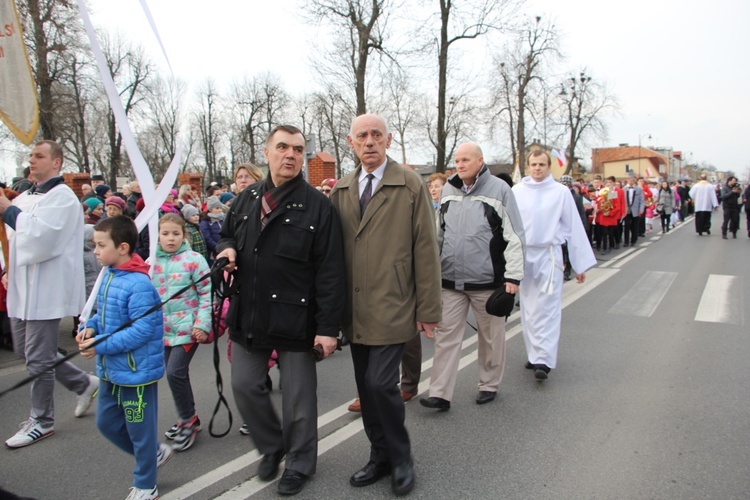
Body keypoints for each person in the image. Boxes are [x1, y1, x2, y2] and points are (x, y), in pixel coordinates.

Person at [215, 125, 345, 496]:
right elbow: (226, 234)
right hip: (249, 312)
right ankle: (272, 446)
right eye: (283, 147)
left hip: (297, 318)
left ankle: (300, 463)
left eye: (298, 149)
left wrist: (327, 329)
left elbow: (331, 272)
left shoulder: (319, 206)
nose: (290, 154)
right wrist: (226, 250)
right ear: (267, 152)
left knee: (298, 400)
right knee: (244, 385)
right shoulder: (246, 199)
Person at [329, 114, 441, 496]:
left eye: (377, 134)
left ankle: (401, 457)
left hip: (395, 303)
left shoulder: (409, 183)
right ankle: (379, 456)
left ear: (389, 139)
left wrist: (428, 308)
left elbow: (426, 247)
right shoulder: (342, 189)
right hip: (355, 308)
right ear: (351, 142)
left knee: (380, 383)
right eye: (363, 136)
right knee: (366, 384)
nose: (370, 141)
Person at [0, 140, 99, 448]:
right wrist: (6, 267)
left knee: (39, 358)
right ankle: (83, 382)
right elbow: (15, 238)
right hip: (20, 285)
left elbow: (41, 238)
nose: (32, 161)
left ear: (56, 162)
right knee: (25, 350)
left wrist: (7, 210)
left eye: (39, 156)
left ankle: (41, 420)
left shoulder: (63, 198)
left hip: (46, 287)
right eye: (30, 156)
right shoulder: (27, 196)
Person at [420, 142, 524, 412]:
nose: (460, 164)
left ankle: (488, 384)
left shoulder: (500, 190)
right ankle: (440, 393)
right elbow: (437, 234)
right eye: (457, 160)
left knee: (491, 337)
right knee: (446, 338)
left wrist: (513, 277)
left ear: (480, 161)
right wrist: (431, 273)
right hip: (450, 281)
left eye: (466, 159)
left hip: (487, 282)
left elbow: (515, 236)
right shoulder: (448, 190)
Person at [76, 216, 171, 500]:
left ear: (123, 247)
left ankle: (146, 484)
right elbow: (103, 315)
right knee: (106, 423)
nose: (95, 251)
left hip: (135, 373)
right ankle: (153, 454)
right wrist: (90, 327)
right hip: (110, 371)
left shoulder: (139, 285)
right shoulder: (110, 275)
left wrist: (99, 344)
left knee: (139, 429)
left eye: (100, 245)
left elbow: (142, 331)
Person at [512, 150, 596, 380]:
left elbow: (574, 226)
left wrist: (579, 265)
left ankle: (545, 360)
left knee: (547, 307)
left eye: (541, 164)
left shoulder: (560, 192)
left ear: (549, 167)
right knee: (528, 307)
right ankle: (534, 354)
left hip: (549, 255)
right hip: (525, 253)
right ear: (528, 167)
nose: (537, 168)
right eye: (533, 164)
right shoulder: (517, 191)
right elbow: (508, 226)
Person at [152, 213, 212, 452]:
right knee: (174, 374)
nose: (170, 238)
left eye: (175, 233)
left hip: (188, 329)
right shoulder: (150, 261)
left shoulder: (195, 260)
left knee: (175, 372)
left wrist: (202, 324)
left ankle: (187, 421)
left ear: (183, 235)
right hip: (163, 330)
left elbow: (207, 295)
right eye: (165, 233)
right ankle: (190, 418)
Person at [200, 197, 225, 265]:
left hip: (224, 249)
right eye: (217, 208)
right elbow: (207, 238)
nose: (220, 210)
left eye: (220, 208)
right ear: (210, 209)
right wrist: (217, 248)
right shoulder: (205, 222)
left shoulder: (223, 219)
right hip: (212, 252)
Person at [623, 176, 645, 247]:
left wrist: (641, 209)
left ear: (634, 181)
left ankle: (633, 240)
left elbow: (642, 200)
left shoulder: (639, 189)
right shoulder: (624, 189)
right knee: (626, 226)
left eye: (632, 180)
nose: (631, 182)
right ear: (627, 181)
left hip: (636, 210)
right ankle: (626, 241)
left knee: (634, 226)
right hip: (626, 210)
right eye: (629, 180)